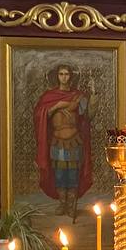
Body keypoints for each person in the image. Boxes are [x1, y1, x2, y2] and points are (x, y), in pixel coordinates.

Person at [33, 64, 93, 220]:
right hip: (57, 142)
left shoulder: (78, 96)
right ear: (57, 76)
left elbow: (86, 114)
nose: (64, 77)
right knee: (59, 174)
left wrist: (89, 100)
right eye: (61, 74)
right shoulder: (49, 97)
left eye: (67, 74)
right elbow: (40, 115)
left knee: (73, 174)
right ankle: (62, 203)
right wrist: (58, 106)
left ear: (71, 77)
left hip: (74, 141)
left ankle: (71, 204)